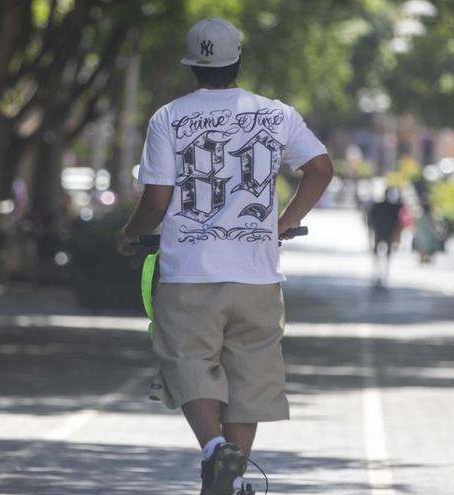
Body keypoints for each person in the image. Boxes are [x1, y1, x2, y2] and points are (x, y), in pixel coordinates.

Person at [114, 18, 333, 495]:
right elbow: (319, 168)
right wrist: (283, 222)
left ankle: (215, 450)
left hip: (188, 273)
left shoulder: (168, 118)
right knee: (249, 382)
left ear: (191, 66)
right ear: (239, 60)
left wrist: (129, 234)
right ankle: (231, 485)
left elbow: (155, 201)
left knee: (188, 362)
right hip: (257, 276)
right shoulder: (277, 115)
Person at [367, 187, 403, 287]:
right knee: (384, 254)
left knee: (380, 254)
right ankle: (381, 272)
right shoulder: (391, 207)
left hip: (382, 231)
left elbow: (371, 219)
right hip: (384, 232)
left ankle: (380, 272)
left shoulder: (381, 206)